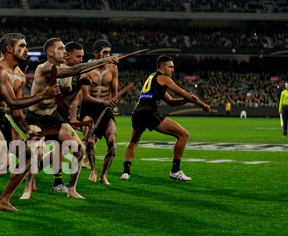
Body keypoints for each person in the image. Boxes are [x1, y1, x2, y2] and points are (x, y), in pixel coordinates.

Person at [0, 33, 60, 214]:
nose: (27, 50)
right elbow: (13, 102)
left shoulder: (20, 75)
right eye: (22, 46)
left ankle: (3, 200)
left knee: (29, 155)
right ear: (9, 48)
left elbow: (15, 111)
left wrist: (26, 130)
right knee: (4, 161)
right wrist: (44, 95)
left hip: (1, 117)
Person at [21, 38, 117, 199]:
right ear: (50, 53)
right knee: (37, 151)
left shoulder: (65, 75)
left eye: (65, 49)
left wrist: (79, 85)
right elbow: (75, 70)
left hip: (54, 116)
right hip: (36, 117)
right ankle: (27, 189)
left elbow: (65, 101)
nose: (64, 52)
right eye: (60, 48)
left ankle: (71, 190)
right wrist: (104, 60)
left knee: (79, 148)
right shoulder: (44, 68)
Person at [120, 55, 210, 182]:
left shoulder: (152, 78)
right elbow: (183, 93)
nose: (173, 69)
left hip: (138, 112)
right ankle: (175, 171)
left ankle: (126, 172)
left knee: (133, 141)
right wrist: (202, 105)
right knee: (183, 134)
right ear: (162, 67)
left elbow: (171, 102)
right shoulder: (164, 78)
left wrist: (185, 100)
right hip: (149, 112)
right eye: (170, 67)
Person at [76, 39, 119, 185]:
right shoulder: (86, 68)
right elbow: (86, 97)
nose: (108, 55)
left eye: (109, 52)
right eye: (105, 52)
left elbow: (114, 92)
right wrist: (106, 102)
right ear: (96, 53)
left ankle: (103, 175)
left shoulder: (113, 68)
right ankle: (93, 168)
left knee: (113, 144)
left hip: (105, 110)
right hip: (89, 109)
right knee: (89, 141)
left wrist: (114, 100)